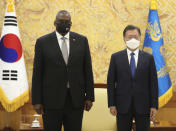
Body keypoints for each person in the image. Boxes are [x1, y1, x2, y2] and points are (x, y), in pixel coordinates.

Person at [32, 10, 94, 131]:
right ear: (55, 22)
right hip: (50, 101)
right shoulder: (43, 42)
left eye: (67, 22)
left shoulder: (82, 40)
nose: (64, 24)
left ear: (71, 23)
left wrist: (90, 97)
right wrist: (36, 101)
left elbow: (87, 70)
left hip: (75, 100)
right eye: (61, 21)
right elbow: (37, 73)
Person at [107, 25, 158, 131]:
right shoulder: (116, 57)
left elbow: (153, 84)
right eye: (130, 37)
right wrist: (111, 104)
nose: (133, 40)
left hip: (144, 106)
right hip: (122, 106)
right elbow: (111, 83)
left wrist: (154, 106)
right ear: (124, 39)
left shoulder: (149, 58)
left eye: (135, 37)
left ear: (140, 38)